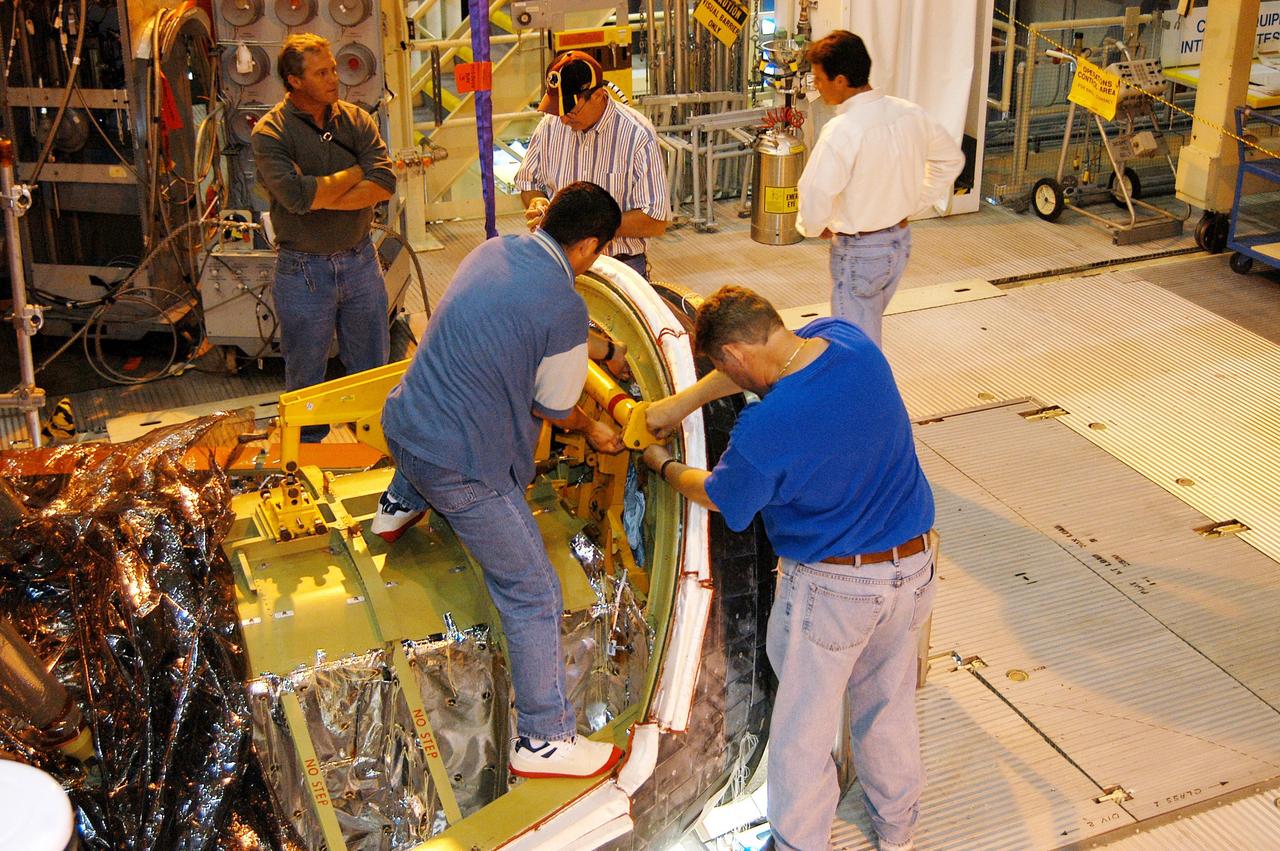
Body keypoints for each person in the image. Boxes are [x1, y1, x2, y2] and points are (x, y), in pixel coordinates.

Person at [642, 286, 936, 851]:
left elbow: (722, 497)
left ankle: (799, 843)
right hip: (912, 571)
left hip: (835, 592)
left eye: (727, 365)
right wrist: (679, 406)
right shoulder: (850, 343)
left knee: (802, 731)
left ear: (733, 354)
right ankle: (898, 830)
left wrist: (663, 463)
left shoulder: (766, 429)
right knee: (887, 706)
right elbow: (759, 370)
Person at [376, 182, 627, 779]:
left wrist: (595, 348)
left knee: (440, 408)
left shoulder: (492, 250)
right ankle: (543, 739)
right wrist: (595, 428)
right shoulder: (563, 306)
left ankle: (398, 505)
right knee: (533, 592)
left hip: (404, 426)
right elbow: (554, 407)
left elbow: (505, 331)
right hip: (461, 468)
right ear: (589, 246)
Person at [252, 33, 396, 440]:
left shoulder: (355, 119)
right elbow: (297, 199)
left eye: (332, 70)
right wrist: (357, 171)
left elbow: (385, 182)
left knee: (372, 372)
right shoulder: (270, 133)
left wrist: (321, 193)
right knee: (306, 381)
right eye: (321, 73)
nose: (334, 79)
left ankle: (374, 448)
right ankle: (307, 456)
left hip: (360, 260)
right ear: (295, 81)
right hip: (303, 272)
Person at [796, 29, 965, 348]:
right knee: (867, 331)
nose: (816, 85)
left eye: (818, 79)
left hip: (860, 252)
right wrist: (913, 204)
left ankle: (869, 384)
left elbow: (815, 190)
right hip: (899, 244)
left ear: (840, 81)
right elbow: (950, 160)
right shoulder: (909, 112)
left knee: (856, 348)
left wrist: (814, 226)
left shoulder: (842, 130)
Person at [514, 50, 669, 280]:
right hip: (559, 263)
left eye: (571, 110)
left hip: (619, 269)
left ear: (598, 96)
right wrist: (539, 202)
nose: (563, 119)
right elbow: (529, 182)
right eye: (558, 110)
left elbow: (655, 221)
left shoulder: (637, 135)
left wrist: (590, 226)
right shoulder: (550, 126)